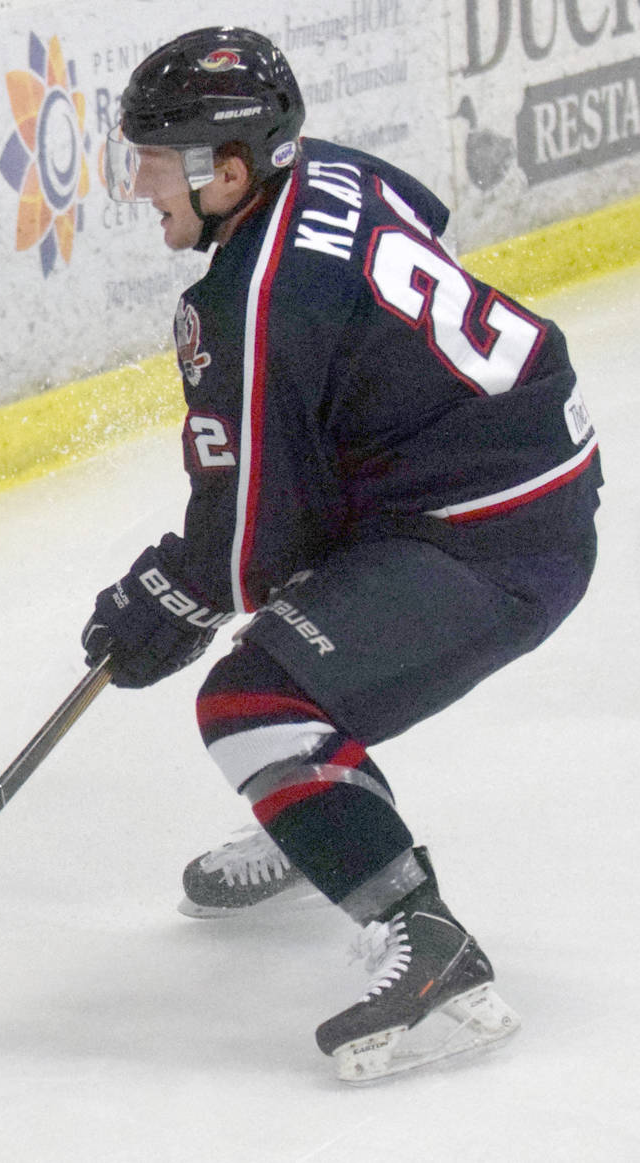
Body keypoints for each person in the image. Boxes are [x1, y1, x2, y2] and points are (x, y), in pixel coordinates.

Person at [83, 26, 601, 1081]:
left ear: (227, 170)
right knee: (304, 611)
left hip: (489, 532)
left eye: (153, 158)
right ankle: (318, 816)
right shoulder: (330, 169)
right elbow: (421, 228)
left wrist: (162, 597)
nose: (139, 185)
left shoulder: (253, 302)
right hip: (514, 469)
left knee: (249, 699)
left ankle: (437, 959)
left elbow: (246, 536)